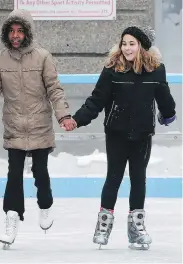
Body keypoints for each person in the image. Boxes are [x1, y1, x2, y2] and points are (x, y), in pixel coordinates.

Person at [0, 9, 75, 246]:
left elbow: (54, 89)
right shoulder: (0, 59)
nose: (15, 36)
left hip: (40, 124)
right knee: (14, 175)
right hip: (14, 125)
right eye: (11, 31)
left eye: (19, 31)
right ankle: (12, 217)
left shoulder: (43, 57)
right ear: (6, 33)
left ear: (27, 33)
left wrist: (63, 115)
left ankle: (45, 205)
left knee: (40, 173)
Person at [69, 26, 176, 249]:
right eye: (124, 43)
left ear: (142, 47)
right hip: (116, 133)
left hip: (143, 134)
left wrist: (168, 114)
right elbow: (96, 101)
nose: (127, 48)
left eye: (132, 43)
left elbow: (164, 96)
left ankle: (136, 229)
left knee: (138, 179)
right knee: (114, 178)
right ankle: (103, 226)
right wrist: (77, 120)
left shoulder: (156, 70)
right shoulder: (112, 70)